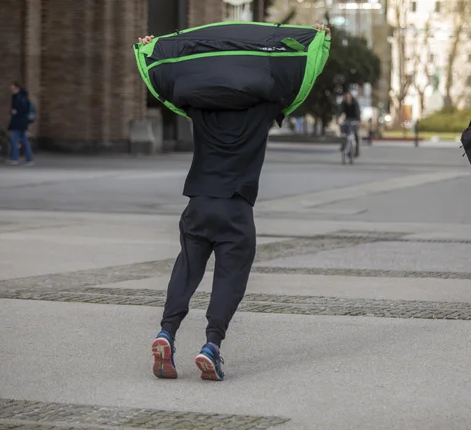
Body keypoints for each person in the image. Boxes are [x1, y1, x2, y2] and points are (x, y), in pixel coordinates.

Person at [139, 24, 332, 381]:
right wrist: (319, 43)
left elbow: (166, 90)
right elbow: (298, 85)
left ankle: (166, 332)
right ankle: (211, 346)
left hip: (198, 201)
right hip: (236, 206)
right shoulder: (265, 106)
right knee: (231, 275)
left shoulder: (198, 105)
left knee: (187, 266)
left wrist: (152, 50)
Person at [7, 82, 34, 166]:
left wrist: (15, 112)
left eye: (13, 89)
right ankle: (29, 159)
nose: (12, 90)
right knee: (24, 141)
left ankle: (15, 158)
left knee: (14, 140)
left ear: (17, 88)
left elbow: (21, 110)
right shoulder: (22, 97)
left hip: (18, 122)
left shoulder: (19, 98)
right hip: (22, 122)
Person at [337, 91, 361, 156]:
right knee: (344, 134)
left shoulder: (355, 103)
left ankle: (356, 150)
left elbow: (358, 112)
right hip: (347, 119)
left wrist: (358, 121)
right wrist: (338, 118)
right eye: (346, 97)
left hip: (354, 119)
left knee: (355, 135)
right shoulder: (343, 103)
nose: (348, 98)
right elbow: (339, 111)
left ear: (351, 97)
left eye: (349, 97)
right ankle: (343, 145)